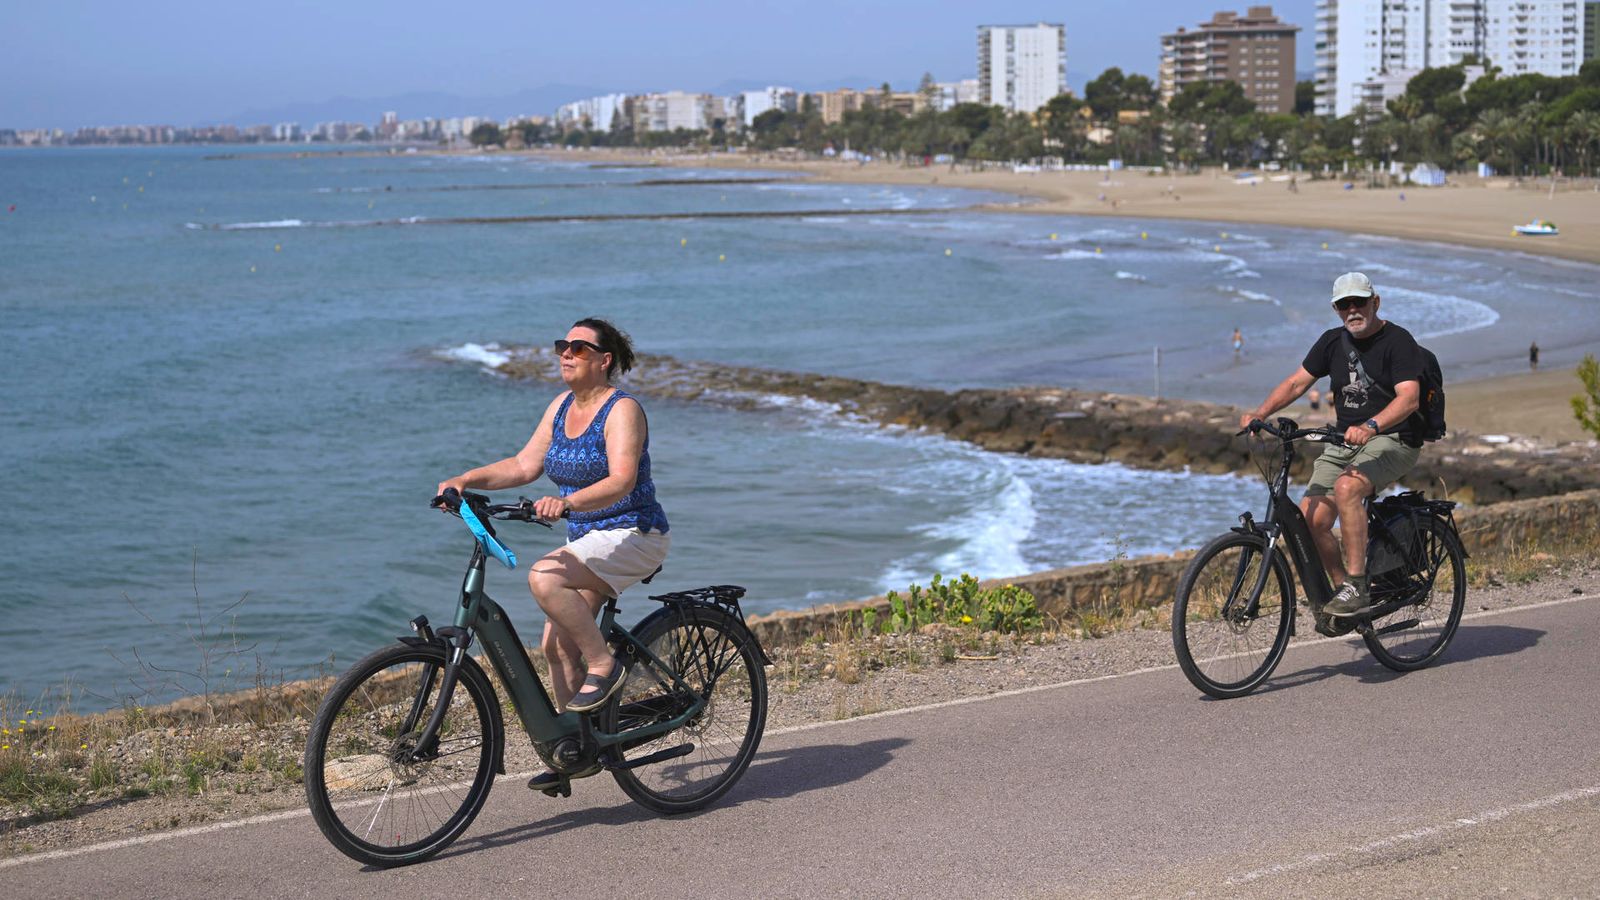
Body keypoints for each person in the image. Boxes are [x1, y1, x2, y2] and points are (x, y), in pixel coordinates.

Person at [437, 318, 669, 785]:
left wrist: (566, 502)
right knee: (556, 646)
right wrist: (465, 480)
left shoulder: (623, 410)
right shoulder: (561, 406)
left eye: (580, 348)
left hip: (633, 533)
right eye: (563, 345)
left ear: (604, 361)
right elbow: (524, 465)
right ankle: (575, 749)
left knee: (544, 577)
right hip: (587, 538)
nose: (566, 353)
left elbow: (622, 479)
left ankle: (604, 664)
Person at [1238, 272, 1425, 624]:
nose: (1353, 309)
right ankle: (1344, 596)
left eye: (1359, 302)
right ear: (1336, 309)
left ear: (1376, 302)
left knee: (1346, 488)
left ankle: (1357, 584)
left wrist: (1371, 426)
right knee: (1312, 519)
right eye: (1344, 304)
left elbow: (1409, 399)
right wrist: (1259, 414)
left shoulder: (1398, 342)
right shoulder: (1331, 342)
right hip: (1344, 440)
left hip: (1394, 438)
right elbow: (1296, 383)